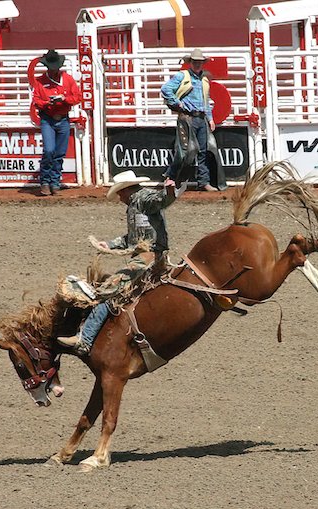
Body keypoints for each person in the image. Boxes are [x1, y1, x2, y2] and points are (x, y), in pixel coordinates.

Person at [58, 170, 177, 355]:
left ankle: (85, 339)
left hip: (149, 257)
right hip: (147, 255)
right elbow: (133, 237)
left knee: (110, 288)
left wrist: (169, 193)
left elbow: (161, 200)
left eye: (120, 192)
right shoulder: (135, 204)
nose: (119, 197)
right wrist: (111, 244)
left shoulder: (143, 198)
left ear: (127, 190)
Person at [160, 48, 218, 192]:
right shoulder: (182, 76)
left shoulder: (204, 80)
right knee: (184, 150)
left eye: (199, 62)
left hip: (200, 117)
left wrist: (210, 118)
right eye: (195, 62)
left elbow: (206, 102)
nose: (197, 64)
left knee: (202, 151)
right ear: (190, 62)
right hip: (187, 117)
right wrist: (178, 103)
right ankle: (171, 177)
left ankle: (203, 181)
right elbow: (166, 89)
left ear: (202, 63)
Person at [30, 50, 81, 196]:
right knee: (49, 150)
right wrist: (47, 103)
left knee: (59, 152)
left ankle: (54, 181)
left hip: (63, 118)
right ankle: (46, 181)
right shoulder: (41, 82)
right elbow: (37, 100)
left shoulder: (68, 79)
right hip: (48, 118)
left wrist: (64, 99)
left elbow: (77, 97)